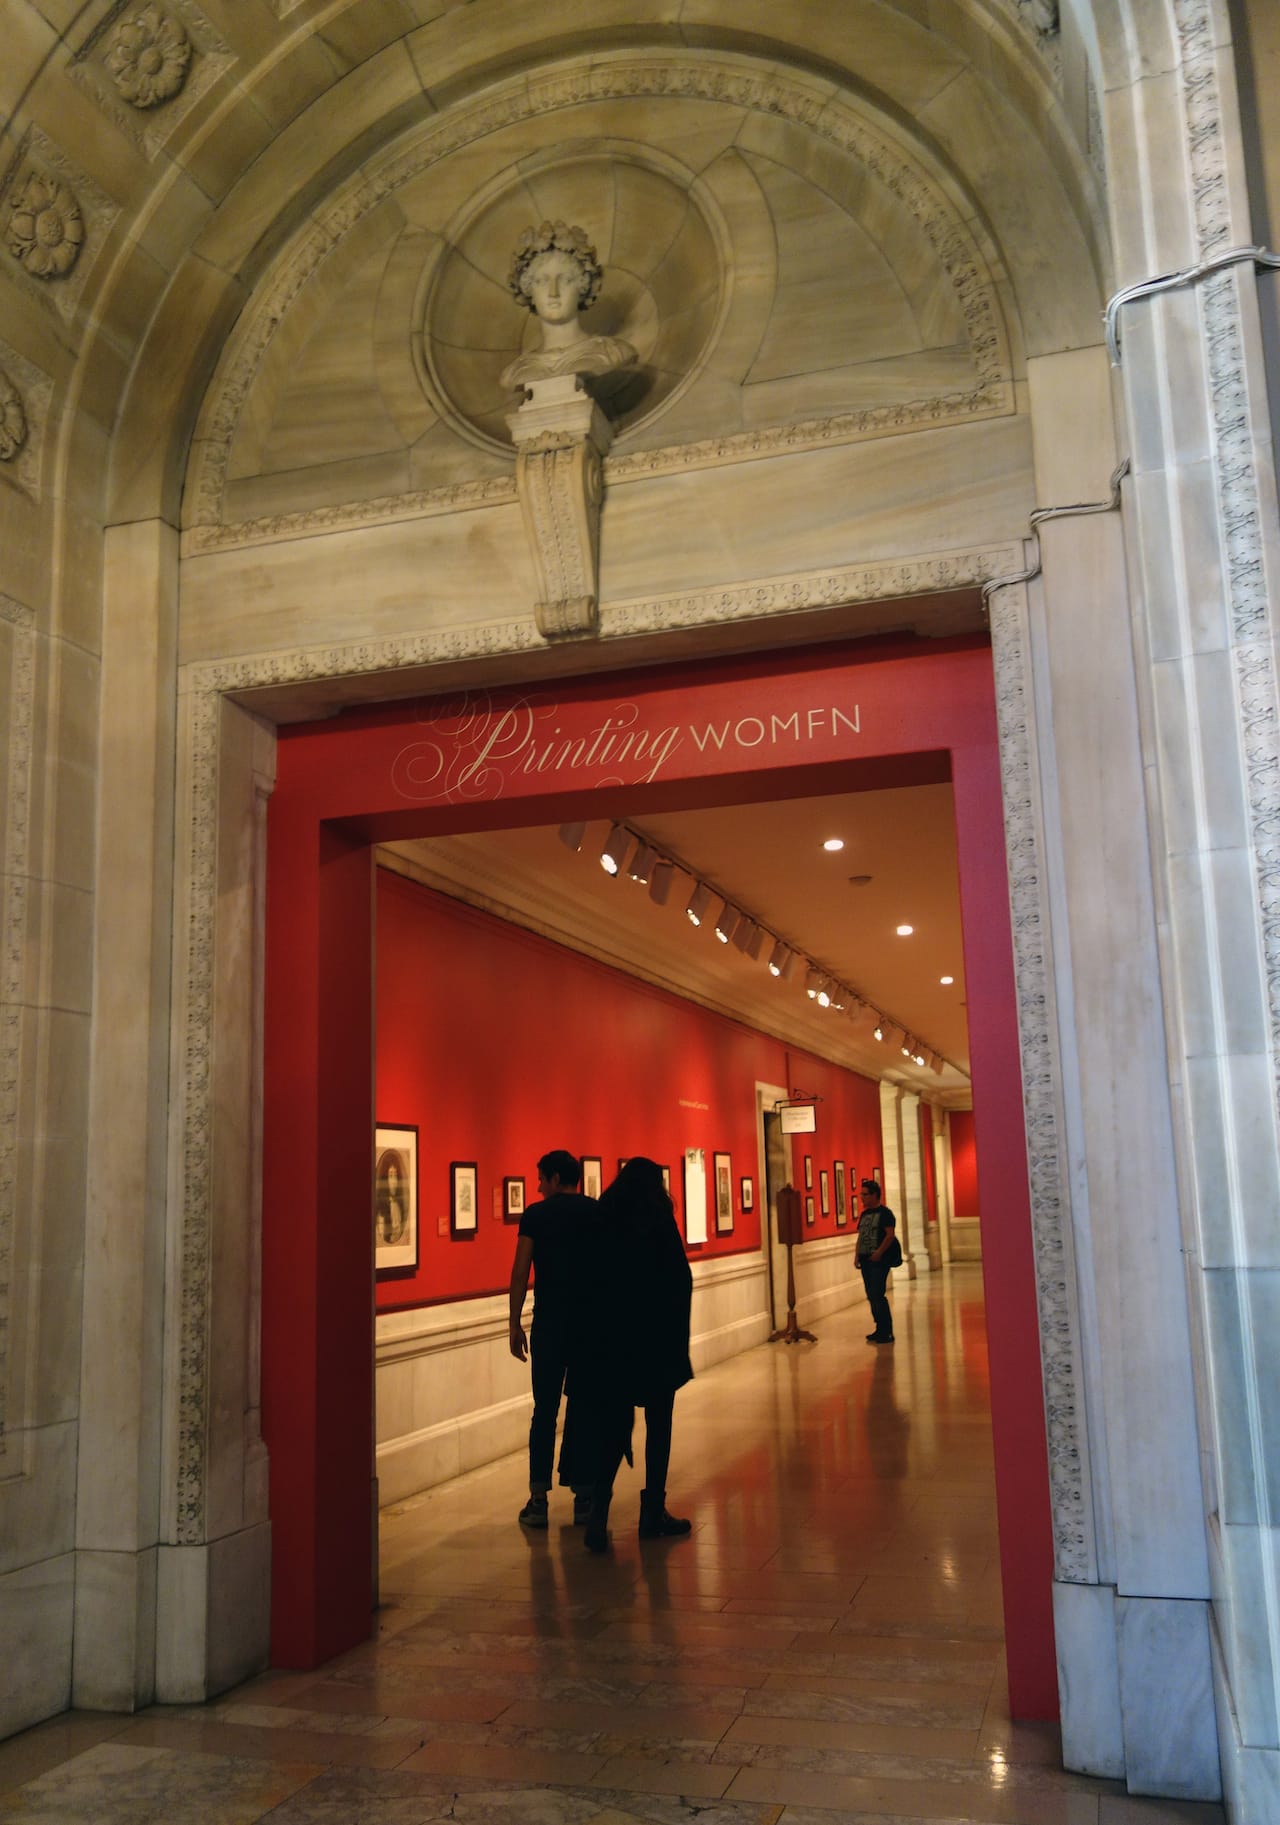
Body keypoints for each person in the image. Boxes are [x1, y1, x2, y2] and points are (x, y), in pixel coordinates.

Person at [578, 1156, 694, 1553]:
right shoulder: (658, 1218)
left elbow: (590, 1282)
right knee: (659, 1426)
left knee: (613, 1428)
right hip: (655, 1341)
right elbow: (678, 1278)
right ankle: (652, 1512)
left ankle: (598, 1513)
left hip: (613, 1342)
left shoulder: (603, 1219)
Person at [508, 1149, 597, 1528]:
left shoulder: (536, 1216)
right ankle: (584, 1496)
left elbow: (520, 1271)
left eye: (542, 1179)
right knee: (582, 1408)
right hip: (587, 1327)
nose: (539, 1187)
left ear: (556, 1179)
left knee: (544, 1411)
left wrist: (514, 1323)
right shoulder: (595, 1212)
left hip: (548, 1326)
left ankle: (538, 1500)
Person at [500, 219, 637, 393]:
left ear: (583, 285)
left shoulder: (614, 353)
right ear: (528, 290)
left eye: (565, 279)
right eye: (542, 281)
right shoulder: (514, 372)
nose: (553, 292)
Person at [855, 1177, 898, 1344]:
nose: (862, 1198)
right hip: (865, 1259)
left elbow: (890, 1235)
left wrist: (879, 1252)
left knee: (877, 1294)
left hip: (880, 1260)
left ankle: (886, 1330)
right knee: (870, 1294)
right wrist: (857, 1255)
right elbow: (861, 1236)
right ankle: (879, 1328)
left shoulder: (885, 1214)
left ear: (874, 1195)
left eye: (865, 1194)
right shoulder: (865, 1214)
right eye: (861, 1194)